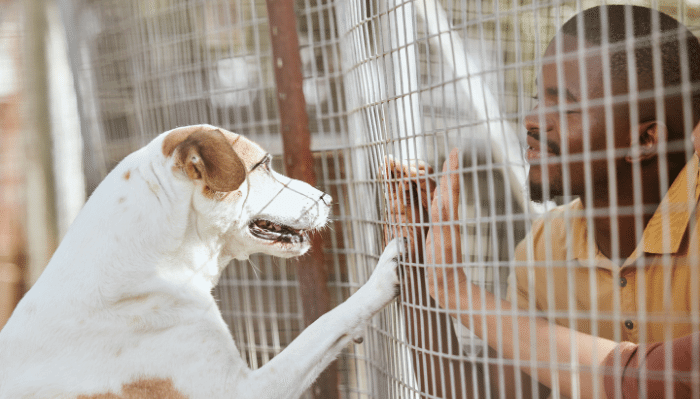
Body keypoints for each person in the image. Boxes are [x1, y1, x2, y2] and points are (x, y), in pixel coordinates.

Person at [386, 4, 700, 398]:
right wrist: (421, 265)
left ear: (643, 140)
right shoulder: (542, 247)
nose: (532, 119)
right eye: (538, 98)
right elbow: (490, 394)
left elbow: (654, 382)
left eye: (564, 106)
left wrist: (456, 288)